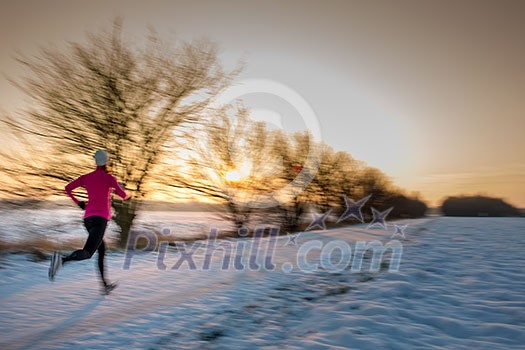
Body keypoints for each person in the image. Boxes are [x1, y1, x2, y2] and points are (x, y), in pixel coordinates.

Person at [49, 150, 129, 295]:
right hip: (100, 220)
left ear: (95, 161)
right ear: (106, 161)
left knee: (102, 249)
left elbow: (68, 188)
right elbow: (124, 196)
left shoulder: (86, 177)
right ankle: (61, 259)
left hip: (88, 219)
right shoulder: (109, 178)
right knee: (88, 253)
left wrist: (79, 203)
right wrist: (122, 189)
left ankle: (105, 285)